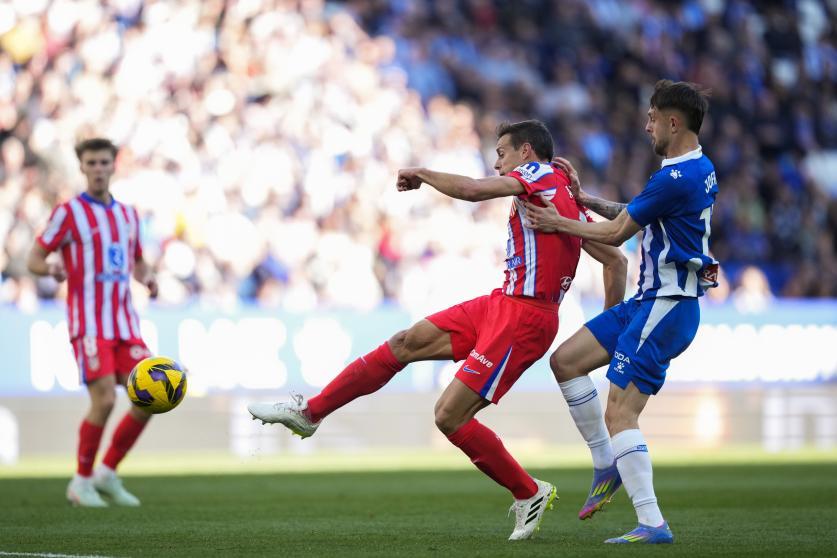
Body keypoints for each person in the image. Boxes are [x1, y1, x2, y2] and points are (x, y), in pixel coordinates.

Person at [249, 120, 627, 540]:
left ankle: (529, 491)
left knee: (449, 416)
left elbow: (473, 190)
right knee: (405, 342)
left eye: (501, 153)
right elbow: (616, 261)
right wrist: (605, 329)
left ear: (525, 152)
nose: (497, 163)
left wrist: (423, 174)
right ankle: (310, 413)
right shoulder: (566, 197)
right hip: (501, 303)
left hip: (524, 318)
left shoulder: (536, 173)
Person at [520, 80, 719, 544]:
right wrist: (586, 201)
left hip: (666, 306)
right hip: (647, 302)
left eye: (652, 118)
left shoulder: (675, 177)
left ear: (673, 122)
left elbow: (615, 235)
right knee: (565, 362)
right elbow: (636, 213)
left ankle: (652, 523)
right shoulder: (697, 168)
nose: (647, 126)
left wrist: (557, 221)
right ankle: (606, 463)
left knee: (621, 415)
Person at [27, 138, 158, 507]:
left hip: (126, 326)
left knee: (150, 397)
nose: (98, 169)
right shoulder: (68, 213)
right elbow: (34, 258)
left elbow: (137, 261)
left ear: (114, 165)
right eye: (92, 163)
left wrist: (147, 277)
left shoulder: (129, 215)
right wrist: (51, 269)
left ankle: (107, 472)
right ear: (82, 168)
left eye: (104, 162)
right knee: (104, 400)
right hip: (89, 325)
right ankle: (81, 481)